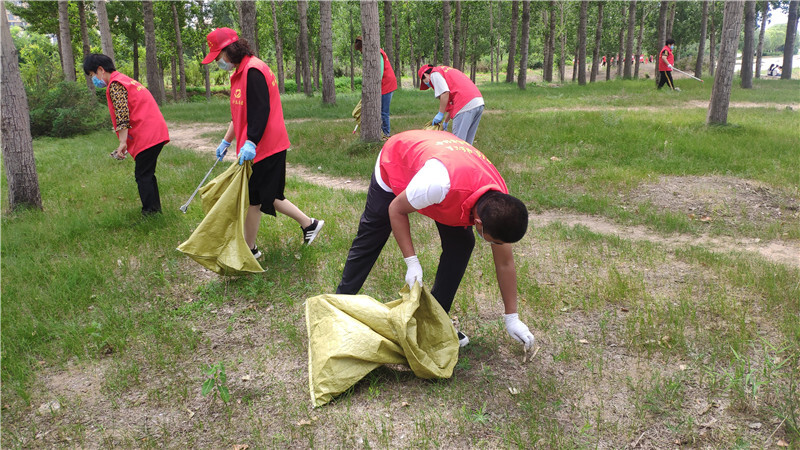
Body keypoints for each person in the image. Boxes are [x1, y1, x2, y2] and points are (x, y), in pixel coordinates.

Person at [336, 129, 535, 351]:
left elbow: (505, 262)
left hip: (444, 164)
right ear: (478, 221)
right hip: (399, 159)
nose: (496, 246)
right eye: (493, 241)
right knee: (373, 233)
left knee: (462, 244)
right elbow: (396, 209)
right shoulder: (438, 184)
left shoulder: (500, 203)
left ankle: (433, 323)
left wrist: (512, 317)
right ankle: (338, 307)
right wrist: (412, 262)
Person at [201, 28, 324, 257]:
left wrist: (251, 142)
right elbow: (240, 114)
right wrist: (226, 141)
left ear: (231, 49)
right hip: (258, 147)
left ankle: (250, 250)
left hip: (266, 147)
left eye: (219, 56)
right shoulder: (239, 73)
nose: (218, 61)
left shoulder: (254, 71)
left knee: (254, 199)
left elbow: (260, 111)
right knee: (267, 195)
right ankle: (309, 225)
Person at [83, 53, 169, 216]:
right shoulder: (125, 79)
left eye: (92, 75)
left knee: (143, 175)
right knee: (147, 174)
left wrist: (123, 142)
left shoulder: (115, 84)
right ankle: (154, 210)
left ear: (100, 70)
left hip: (148, 134)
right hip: (155, 131)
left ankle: (150, 212)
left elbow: (122, 115)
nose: (93, 79)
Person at [417, 64, 485, 145]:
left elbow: (445, 93)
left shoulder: (434, 74)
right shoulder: (445, 71)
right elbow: (452, 102)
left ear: (425, 75)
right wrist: (445, 122)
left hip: (465, 104)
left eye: (424, 81)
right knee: (467, 144)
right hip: (478, 101)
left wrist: (440, 114)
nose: (428, 85)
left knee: (458, 144)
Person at [354, 36, 397, 140]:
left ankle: (386, 134)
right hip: (381, 85)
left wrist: (374, 85)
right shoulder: (371, 54)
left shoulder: (378, 53)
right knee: (378, 110)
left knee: (383, 111)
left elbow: (380, 71)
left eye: (361, 49)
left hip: (387, 84)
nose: (361, 52)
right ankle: (380, 131)